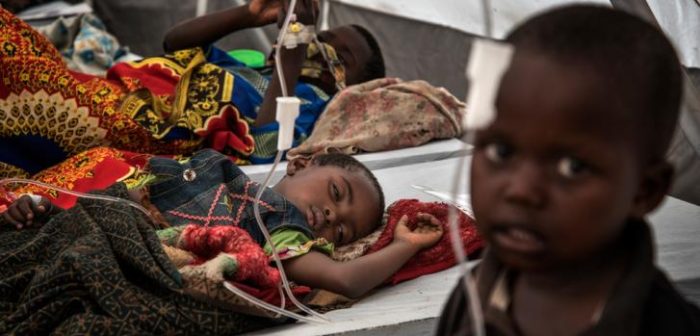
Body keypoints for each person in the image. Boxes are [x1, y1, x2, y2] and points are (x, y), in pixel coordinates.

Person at [436, 5, 700, 335]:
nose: (522, 190)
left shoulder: (666, 326)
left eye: (572, 167)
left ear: (645, 191)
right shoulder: (472, 298)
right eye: (501, 151)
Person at [2, 149, 442, 299]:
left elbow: (345, 280)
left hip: (113, 246)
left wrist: (403, 245)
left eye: (341, 232)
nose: (331, 218)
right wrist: (39, 207)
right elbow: (129, 199)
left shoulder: (284, 230)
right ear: (301, 162)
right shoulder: (215, 171)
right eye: (336, 194)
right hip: (84, 216)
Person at [162, 0, 386, 162]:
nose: (324, 49)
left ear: (353, 89)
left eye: (343, 57)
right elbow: (174, 44)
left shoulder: (316, 107)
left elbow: (264, 150)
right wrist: (250, 14)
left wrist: (291, 57)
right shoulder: (257, 71)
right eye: (323, 39)